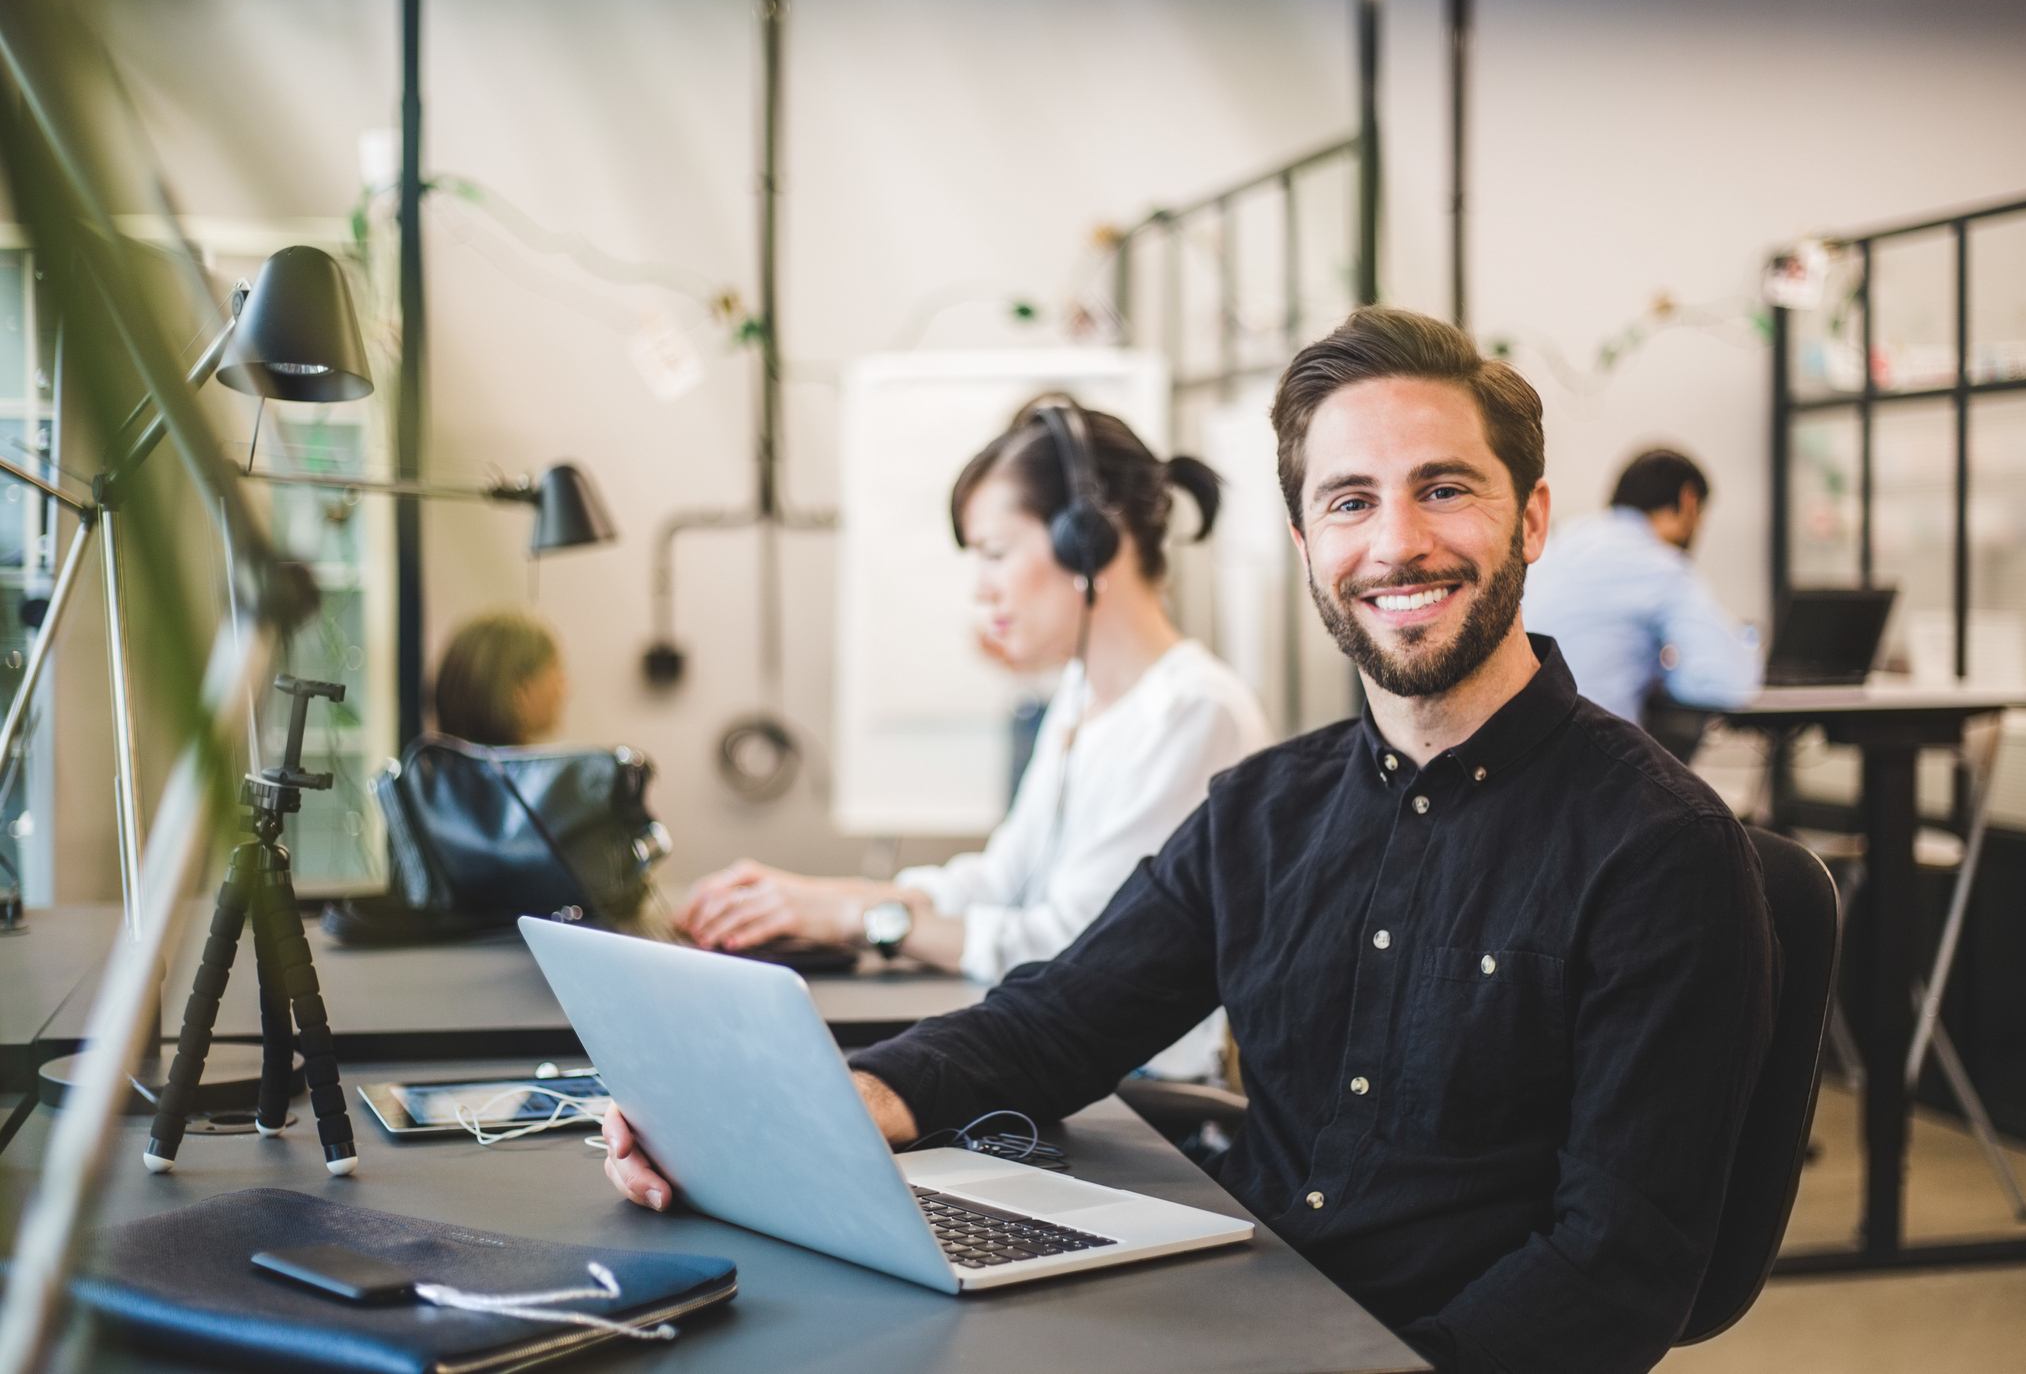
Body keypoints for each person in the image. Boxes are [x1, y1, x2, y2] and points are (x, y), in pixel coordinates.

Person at [607, 310, 1776, 1374]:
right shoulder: (1261, 812)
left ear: (1531, 517)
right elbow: (1059, 1018)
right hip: (1235, 1309)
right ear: (1307, 539)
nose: (1397, 544)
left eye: (1445, 489)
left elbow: (1614, 1272)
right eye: (1351, 500)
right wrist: (818, 1106)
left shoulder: (1660, 849)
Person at [675, 396, 1271, 1079]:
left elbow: (1072, 951)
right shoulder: (1082, 695)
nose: (981, 591)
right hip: (1061, 1059)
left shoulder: (1192, 714)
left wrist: (856, 919)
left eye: (994, 553)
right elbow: (1001, 882)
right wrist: (817, 898)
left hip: (1138, 1097)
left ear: (1089, 538)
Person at [1520, 448, 1761, 725]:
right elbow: (1727, 681)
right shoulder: (1659, 563)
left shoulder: (1564, 539)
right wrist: (1666, 673)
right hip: (1587, 753)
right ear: (1689, 499)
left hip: (1514, 744)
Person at [432, 609, 569, 746]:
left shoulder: (429, 764)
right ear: (519, 693)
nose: (563, 689)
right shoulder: (561, 767)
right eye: (554, 668)